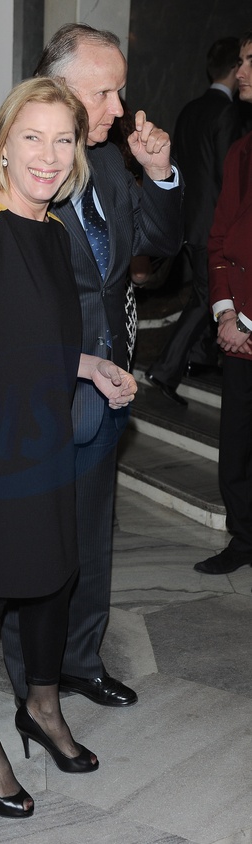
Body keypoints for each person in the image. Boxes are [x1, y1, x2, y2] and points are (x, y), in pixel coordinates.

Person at [0, 24, 184, 709]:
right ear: (60, 87)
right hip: (26, 406)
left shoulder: (110, 167)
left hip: (103, 387)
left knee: (87, 542)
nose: (119, 108)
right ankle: (29, 688)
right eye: (105, 92)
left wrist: (160, 174)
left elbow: (160, 246)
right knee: (22, 551)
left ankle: (79, 661)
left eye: (120, 92)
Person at [0, 76, 137, 818]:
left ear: (78, 152)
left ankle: (41, 707)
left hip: (42, 441)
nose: (48, 154)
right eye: (31, 137)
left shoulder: (51, 232)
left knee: (49, 580)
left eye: (63, 139)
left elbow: (30, 336)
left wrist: (87, 365)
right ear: (2, 147)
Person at [146, 37, 242, 405]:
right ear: (235, 68)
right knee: (208, 297)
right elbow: (228, 175)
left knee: (204, 291)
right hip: (212, 223)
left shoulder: (190, 108)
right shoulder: (227, 112)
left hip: (187, 218)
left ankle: (199, 357)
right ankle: (165, 369)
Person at [194, 32, 252, 576]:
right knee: (235, 443)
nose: (241, 72)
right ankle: (244, 538)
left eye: (251, 61)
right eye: (239, 61)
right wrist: (227, 313)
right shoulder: (241, 150)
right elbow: (220, 240)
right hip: (238, 329)